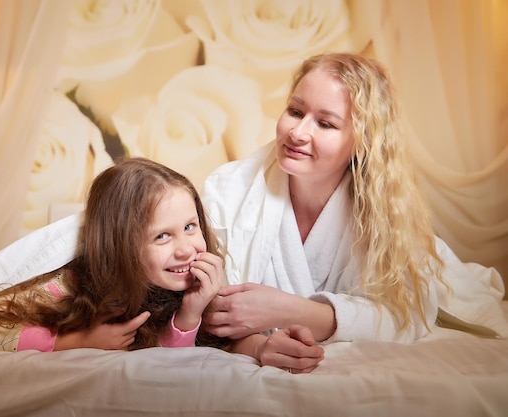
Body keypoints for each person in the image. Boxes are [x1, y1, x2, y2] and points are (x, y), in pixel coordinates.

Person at [200, 52, 492, 370]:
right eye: (295, 111)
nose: (298, 132)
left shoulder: (384, 209)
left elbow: (406, 313)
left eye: (325, 123)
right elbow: (207, 306)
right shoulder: (229, 189)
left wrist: (292, 310)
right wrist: (257, 345)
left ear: (362, 141)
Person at [0, 157, 229, 352]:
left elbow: (167, 363)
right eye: (162, 236)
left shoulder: (199, 281)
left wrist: (190, 313)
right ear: (122, 246)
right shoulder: (67, 283)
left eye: (190, 227)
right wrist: (78, 341)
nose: (186, 249)